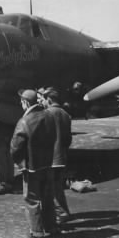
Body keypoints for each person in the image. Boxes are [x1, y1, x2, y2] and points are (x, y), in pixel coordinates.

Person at [10, 89, 57, 238]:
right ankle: (52, 227)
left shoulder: (24, 121)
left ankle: (37, 232)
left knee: (32, 199)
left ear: (25, 102)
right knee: (48, 197)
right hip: (48, 164)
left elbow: (15, 147)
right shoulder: (49, 116)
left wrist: (19, 162)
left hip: (32, 167)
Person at [43, 88, 72, 224]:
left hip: (50, 158)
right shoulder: (66, 114)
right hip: (62, 157)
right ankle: (62, 211)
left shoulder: (46, 113)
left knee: (51, 188)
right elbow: (68, 139)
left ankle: (61, 213)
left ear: (48, 100)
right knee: (58, 186)